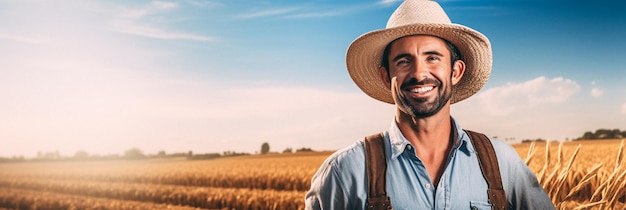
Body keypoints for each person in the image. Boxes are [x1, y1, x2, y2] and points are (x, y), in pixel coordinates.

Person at [305, 0, 554, 209]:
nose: (419, 73)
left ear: (456, 72)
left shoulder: (502, 162)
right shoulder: (345, 171)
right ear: (385, 76)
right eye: (403, 61)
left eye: (432, 58)